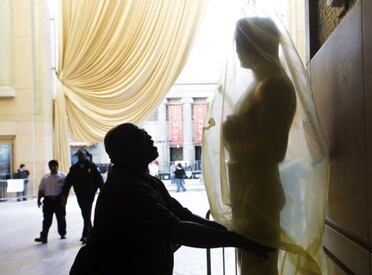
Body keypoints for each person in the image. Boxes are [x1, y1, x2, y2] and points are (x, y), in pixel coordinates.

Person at [69, 123, 274, 275]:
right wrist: (236, 239)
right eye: (140, 136)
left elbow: (181, 214)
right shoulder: (128, 188)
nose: (149, 137)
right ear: (124, 151)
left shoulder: (145, 180)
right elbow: (176, 229)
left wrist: (223, 230)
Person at [222, 17, 297, 275]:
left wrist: (234, 139)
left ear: (256, 43)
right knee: (252, 266)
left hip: (259, 195)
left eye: (239, 43)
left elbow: (275, 150)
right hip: (249, 192)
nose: (237, 50)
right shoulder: (260, 86)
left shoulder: (273, 86)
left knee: (258, 267)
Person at [62, 149, 104, 244]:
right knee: (85, 213)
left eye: (83, 155)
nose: (81, 156)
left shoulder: (92, 166)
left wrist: (102, 190)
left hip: (90, 194)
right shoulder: (74, 168)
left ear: (86, 155)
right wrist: (64, 193)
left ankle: (86, 235)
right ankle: (91, 231)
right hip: (80, 194)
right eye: (79, 155)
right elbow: (68, 181)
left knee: (87, 212)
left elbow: (99, 179)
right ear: (77, 156)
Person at [34, 160, 66, 243]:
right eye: (51, 166)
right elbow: (41, 189)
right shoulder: (45, 177)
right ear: (49, 167)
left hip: (58, 201)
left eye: (54, 166)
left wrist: (64, 200)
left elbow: (66, 189)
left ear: (57, 166)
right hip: (48, 201)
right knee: (46, 220)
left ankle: (62, 233)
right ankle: (43, 237)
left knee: (61, 218)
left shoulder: (63, 176)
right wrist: (38, 200)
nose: (53, 167)